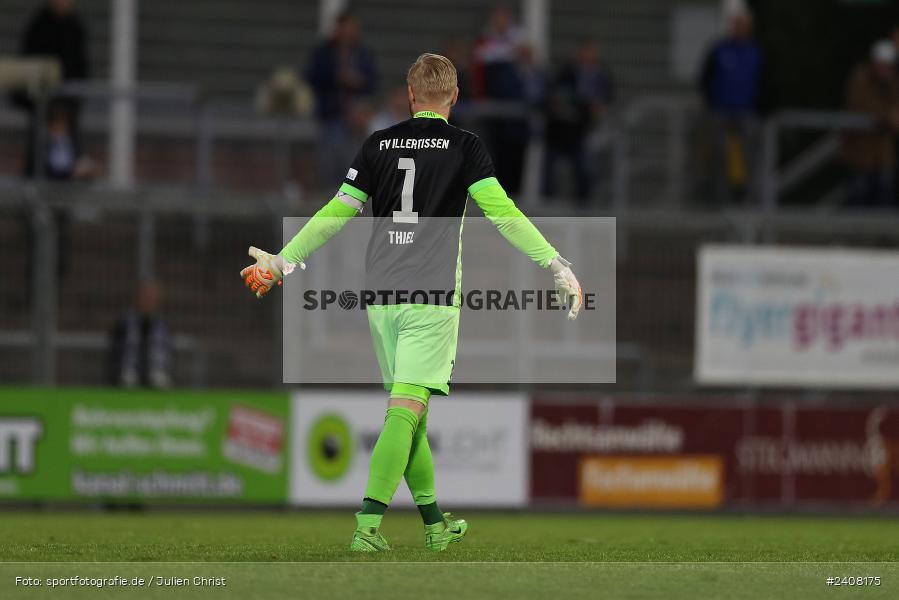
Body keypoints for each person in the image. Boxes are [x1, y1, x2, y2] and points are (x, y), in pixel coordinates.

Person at [240, 53, 582, 552]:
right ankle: (367, 525)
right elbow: (503, 214)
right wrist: (556, 263)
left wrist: (283, 261)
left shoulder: (379, 143)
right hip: (432, 294)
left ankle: (434, 524)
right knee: (405, 408)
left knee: (411, 410)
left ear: (410, 93)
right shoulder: (465, 146)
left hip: (380, 296)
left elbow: (337, 212)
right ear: (455, 96)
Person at [17, 0, 90, 178]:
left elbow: (80, 66)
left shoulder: (75, 25)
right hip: (44, 102)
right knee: (42, 151)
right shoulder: (40, 25)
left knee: (62, 150)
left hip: (66, 102)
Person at [305, 10, 378, 184]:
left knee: (354, 165)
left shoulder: (363, 54)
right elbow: (312, 77)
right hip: (331, 116)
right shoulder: (324, 53)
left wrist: (357, 81)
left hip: (356, 120)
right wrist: (336, 76)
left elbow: (373, 82)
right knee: (328, 164)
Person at [699, 8, 762, 203]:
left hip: (746, 111)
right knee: (719, 153)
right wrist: (712, 102)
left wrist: (760, 105)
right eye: (737, 25)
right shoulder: (719, 50)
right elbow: (704, 78)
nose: (740, 29)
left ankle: (745, 195)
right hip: (720, 111)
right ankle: (719, 196)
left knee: (748, 154)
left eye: (743, 25)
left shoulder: (755, 52)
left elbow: (764, 82)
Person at [543, 40, 614, 200]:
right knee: (551, 170)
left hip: (585, 130)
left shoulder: (602, 74)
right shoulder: (567, 72)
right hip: (561, 131)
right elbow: (558, 96)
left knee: (585, 170)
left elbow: (608, 97)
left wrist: (599, 108)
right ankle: (549, 202)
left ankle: (584, 203)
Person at [472, 5, 530, 194]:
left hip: (516, 115)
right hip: (493, 111)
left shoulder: (520, 41)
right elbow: (480, 66)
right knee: (494, 156)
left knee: (514, 158)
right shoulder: (486, 42)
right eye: (497, 19)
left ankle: (514, 197)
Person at [843, 40, 899, 208]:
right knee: (859, 193)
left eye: (888, 65)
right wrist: (888, 116)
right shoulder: (860, 77)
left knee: (885, 191)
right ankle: (853, 232)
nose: (884, 68)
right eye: (881, 64)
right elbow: (859, 105)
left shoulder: (893, 82)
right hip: (860, 149)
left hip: (883, 152)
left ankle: (881, 234)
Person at [109, 280, 173, 389]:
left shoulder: (163, 325)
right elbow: (114, 352)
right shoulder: (124, 323)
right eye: (145, 297)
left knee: (160, 381)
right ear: (137, 299)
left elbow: (167, 353)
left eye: (152, 298)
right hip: (127, 377)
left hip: (157, 379)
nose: (148, 301)